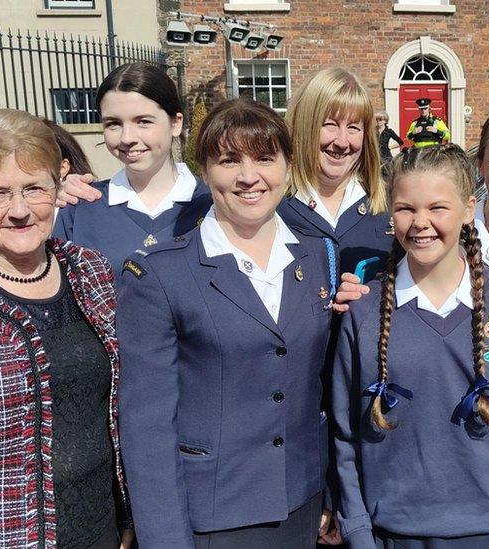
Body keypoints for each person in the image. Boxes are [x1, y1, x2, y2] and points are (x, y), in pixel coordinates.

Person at [117, 98, 339, 549]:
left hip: (302, 504)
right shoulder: (161, 274)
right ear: (204, 171)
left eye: (264, 158)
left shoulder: (318, 257)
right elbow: (146, 427)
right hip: (213, 514)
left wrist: (331, 494)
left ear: (288, 166)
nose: (248, 176)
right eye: (228, 160)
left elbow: (324, 387)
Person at [331, 144, 489, 549]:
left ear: (469, 208)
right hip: (390, 534)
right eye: (405, 208)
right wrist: (358, 530)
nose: (420, 223)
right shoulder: (363, 312)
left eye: (438, 208)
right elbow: (346, 433)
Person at [0, 109, 132, 548]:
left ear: (57, 187)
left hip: (102, 530)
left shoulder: (89, 270)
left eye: (34, 189)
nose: (20, 211)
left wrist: (127, 515)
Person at [52, 62, 212, 273]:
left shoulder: (213, 204)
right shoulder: (79, 208)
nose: (127, 138)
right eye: (113, 124)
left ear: (176, 123)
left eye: (143, 121)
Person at [278, 68, 392, 276]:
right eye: (329, 124)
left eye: (353, 128)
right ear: (305, 126)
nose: (341, 141)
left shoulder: (393, 207)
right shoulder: (273, 210)